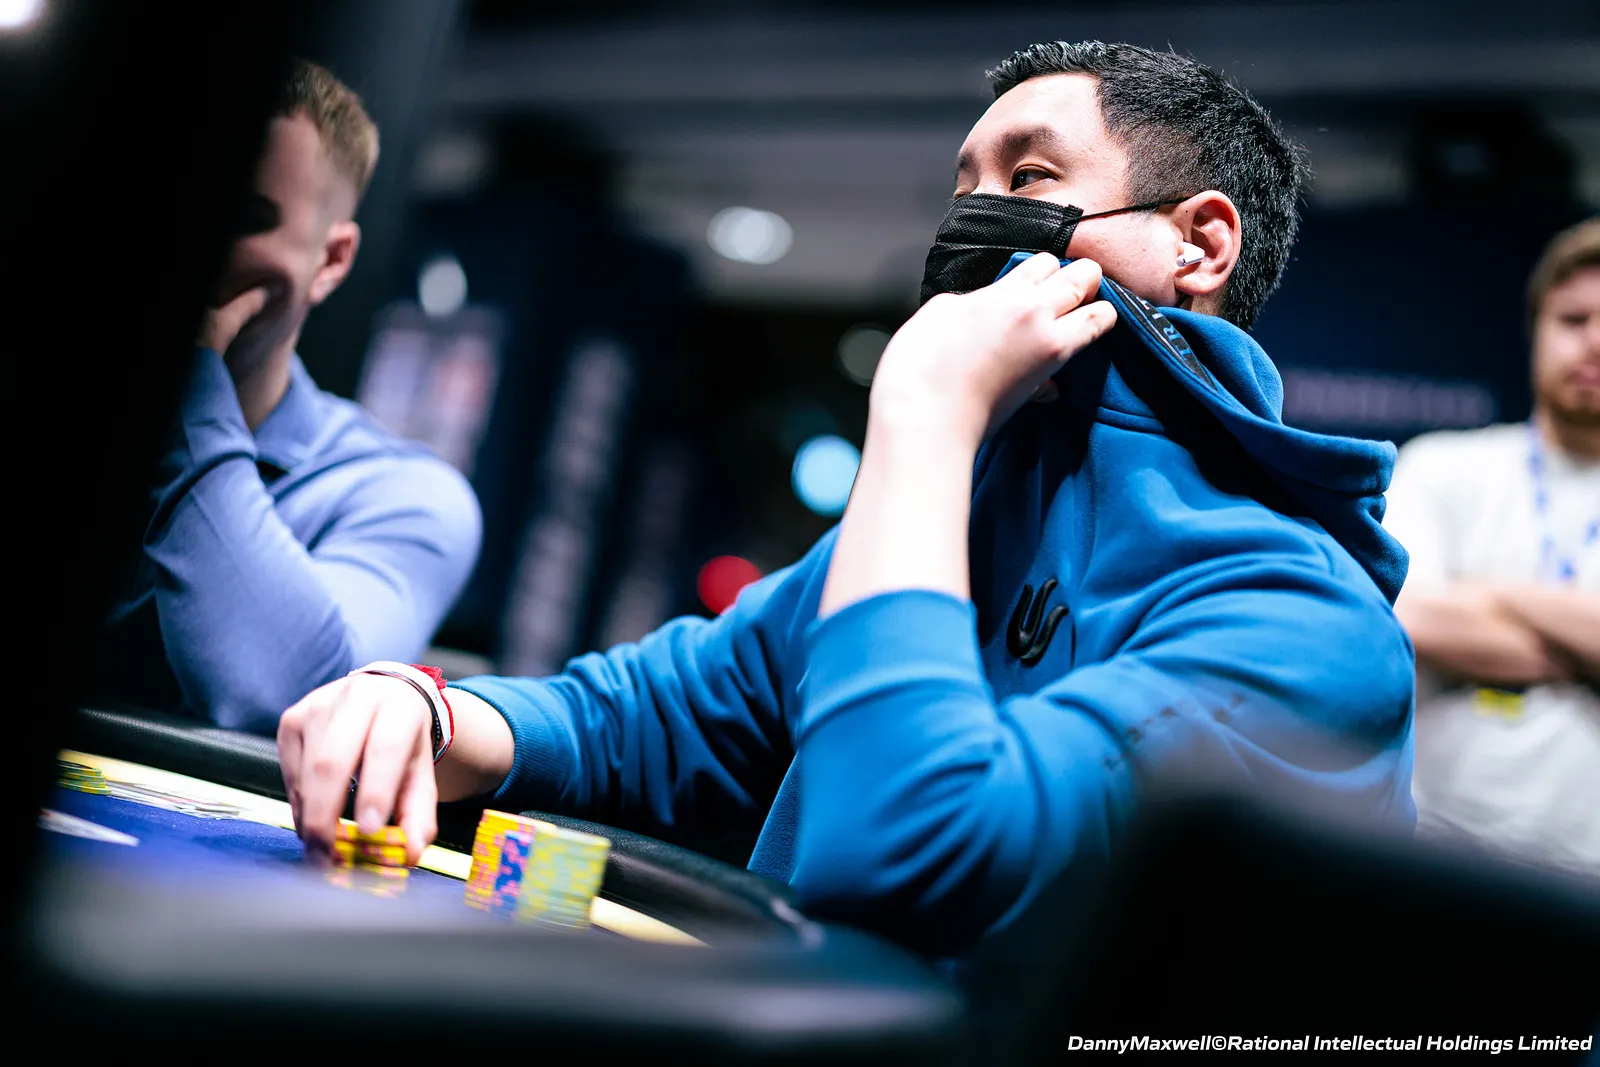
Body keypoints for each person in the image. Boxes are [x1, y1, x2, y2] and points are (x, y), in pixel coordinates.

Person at [278, 41, 1415, 957]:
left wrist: (925, 414)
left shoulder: (1301, 622)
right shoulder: (952, 510)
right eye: (962, 188)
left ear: (1199, 245)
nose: (970, 225)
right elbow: (665, 711)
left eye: (1028, 179)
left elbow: (910, 858)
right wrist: (434, 716)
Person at [96, 61, 482, 735]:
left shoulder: (402, 495)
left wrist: (192, 381)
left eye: (244, 216)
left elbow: (289, 700)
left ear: (330, 261)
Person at [1384, 218, 1600, 877]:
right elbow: (1408, 614)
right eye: (1574, 319)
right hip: (1438, 853)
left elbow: (1439, 609)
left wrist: (1488, 594)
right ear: (1537, 329)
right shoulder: (1444, 465)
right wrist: (1582, 649)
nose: (1594, 341)